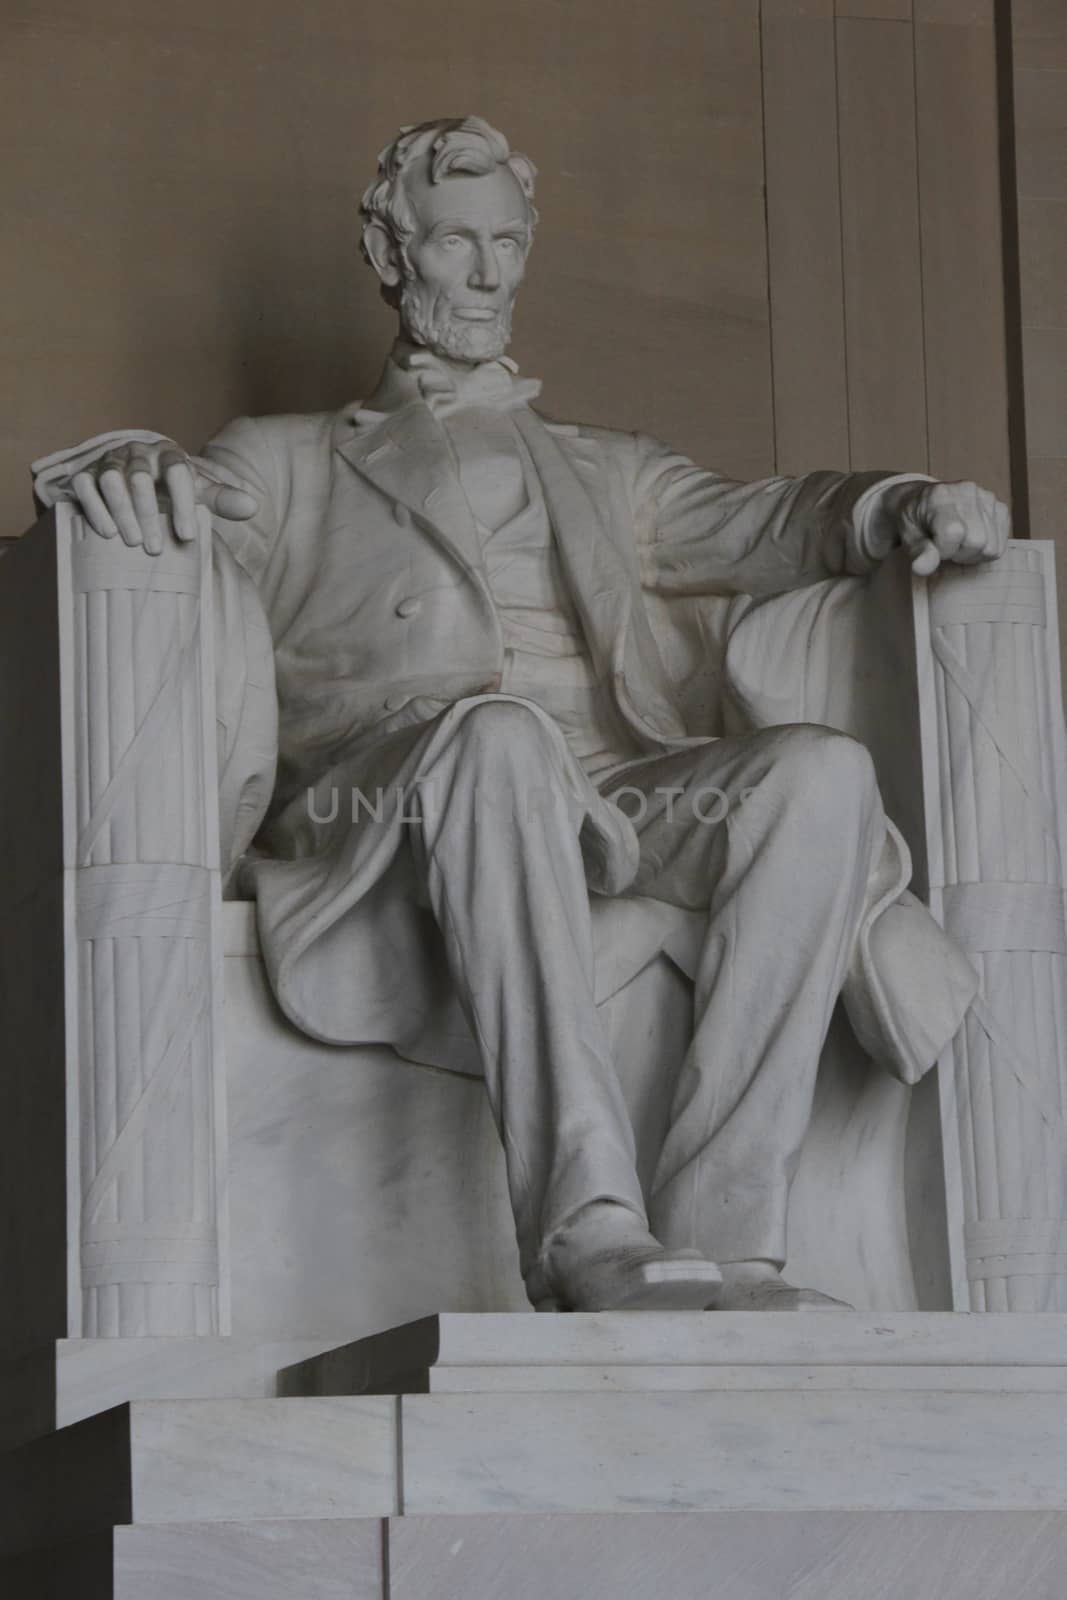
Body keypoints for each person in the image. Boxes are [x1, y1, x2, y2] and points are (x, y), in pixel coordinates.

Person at [34, 117, 1005, 1313]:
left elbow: (773, 520)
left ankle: (728, 1236)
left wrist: (897, 507)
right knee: (497, 737)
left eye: (507, 242)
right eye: (455, 244)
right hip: (384, 802)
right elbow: (174, 488)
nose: (490, 275)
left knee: (817, 774)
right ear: (391, 254)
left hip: (603, 791)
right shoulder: (289, 460)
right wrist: (136, 463)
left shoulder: (609, 468)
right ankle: (587, 1228)